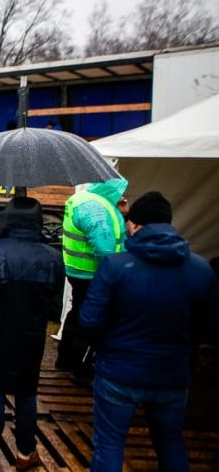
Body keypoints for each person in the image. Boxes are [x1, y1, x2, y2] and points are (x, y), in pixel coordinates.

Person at [80, 192, 217, 472]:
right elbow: (211, 327)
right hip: (173, 373)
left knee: (109, 444)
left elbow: (90, 321)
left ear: (135, 225)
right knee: (170, 443)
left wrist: (106, 348)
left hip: (118, 372)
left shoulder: (115, 266)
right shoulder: (201, 269)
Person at [0, 197, 64, 468]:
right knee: (26, 394)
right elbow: (56, 308)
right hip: (31, 338)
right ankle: (25, 453)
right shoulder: (53, 257)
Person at [57, 178, 128, 384]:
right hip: (93, 272)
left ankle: (65, 359)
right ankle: (80, 367)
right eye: (122, 192)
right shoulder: (98, 209)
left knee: (76, 311)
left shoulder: (82, 199)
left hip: (77, 269)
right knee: (90, 319)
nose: (123, 197)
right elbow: (105, 248)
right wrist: (113, 276)